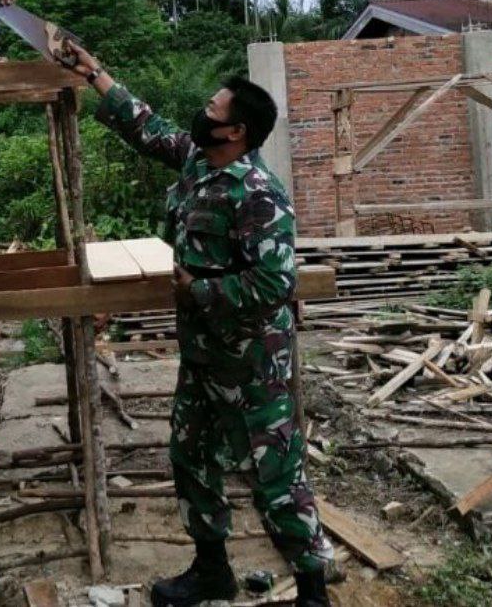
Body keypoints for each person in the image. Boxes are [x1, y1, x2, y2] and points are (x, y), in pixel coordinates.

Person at [66, 45, 334, 607]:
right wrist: (94, 74)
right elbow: (147, 127)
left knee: (276, 475)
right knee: (191, 458)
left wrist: (200, 288)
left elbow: (273, 286)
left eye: (211, 109)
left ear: (234, 131)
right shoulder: (197, 162)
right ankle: (211, 569)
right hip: (205, 357)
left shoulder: (259, 197)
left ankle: (312, 589)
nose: (201, 113)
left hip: (255, 362)